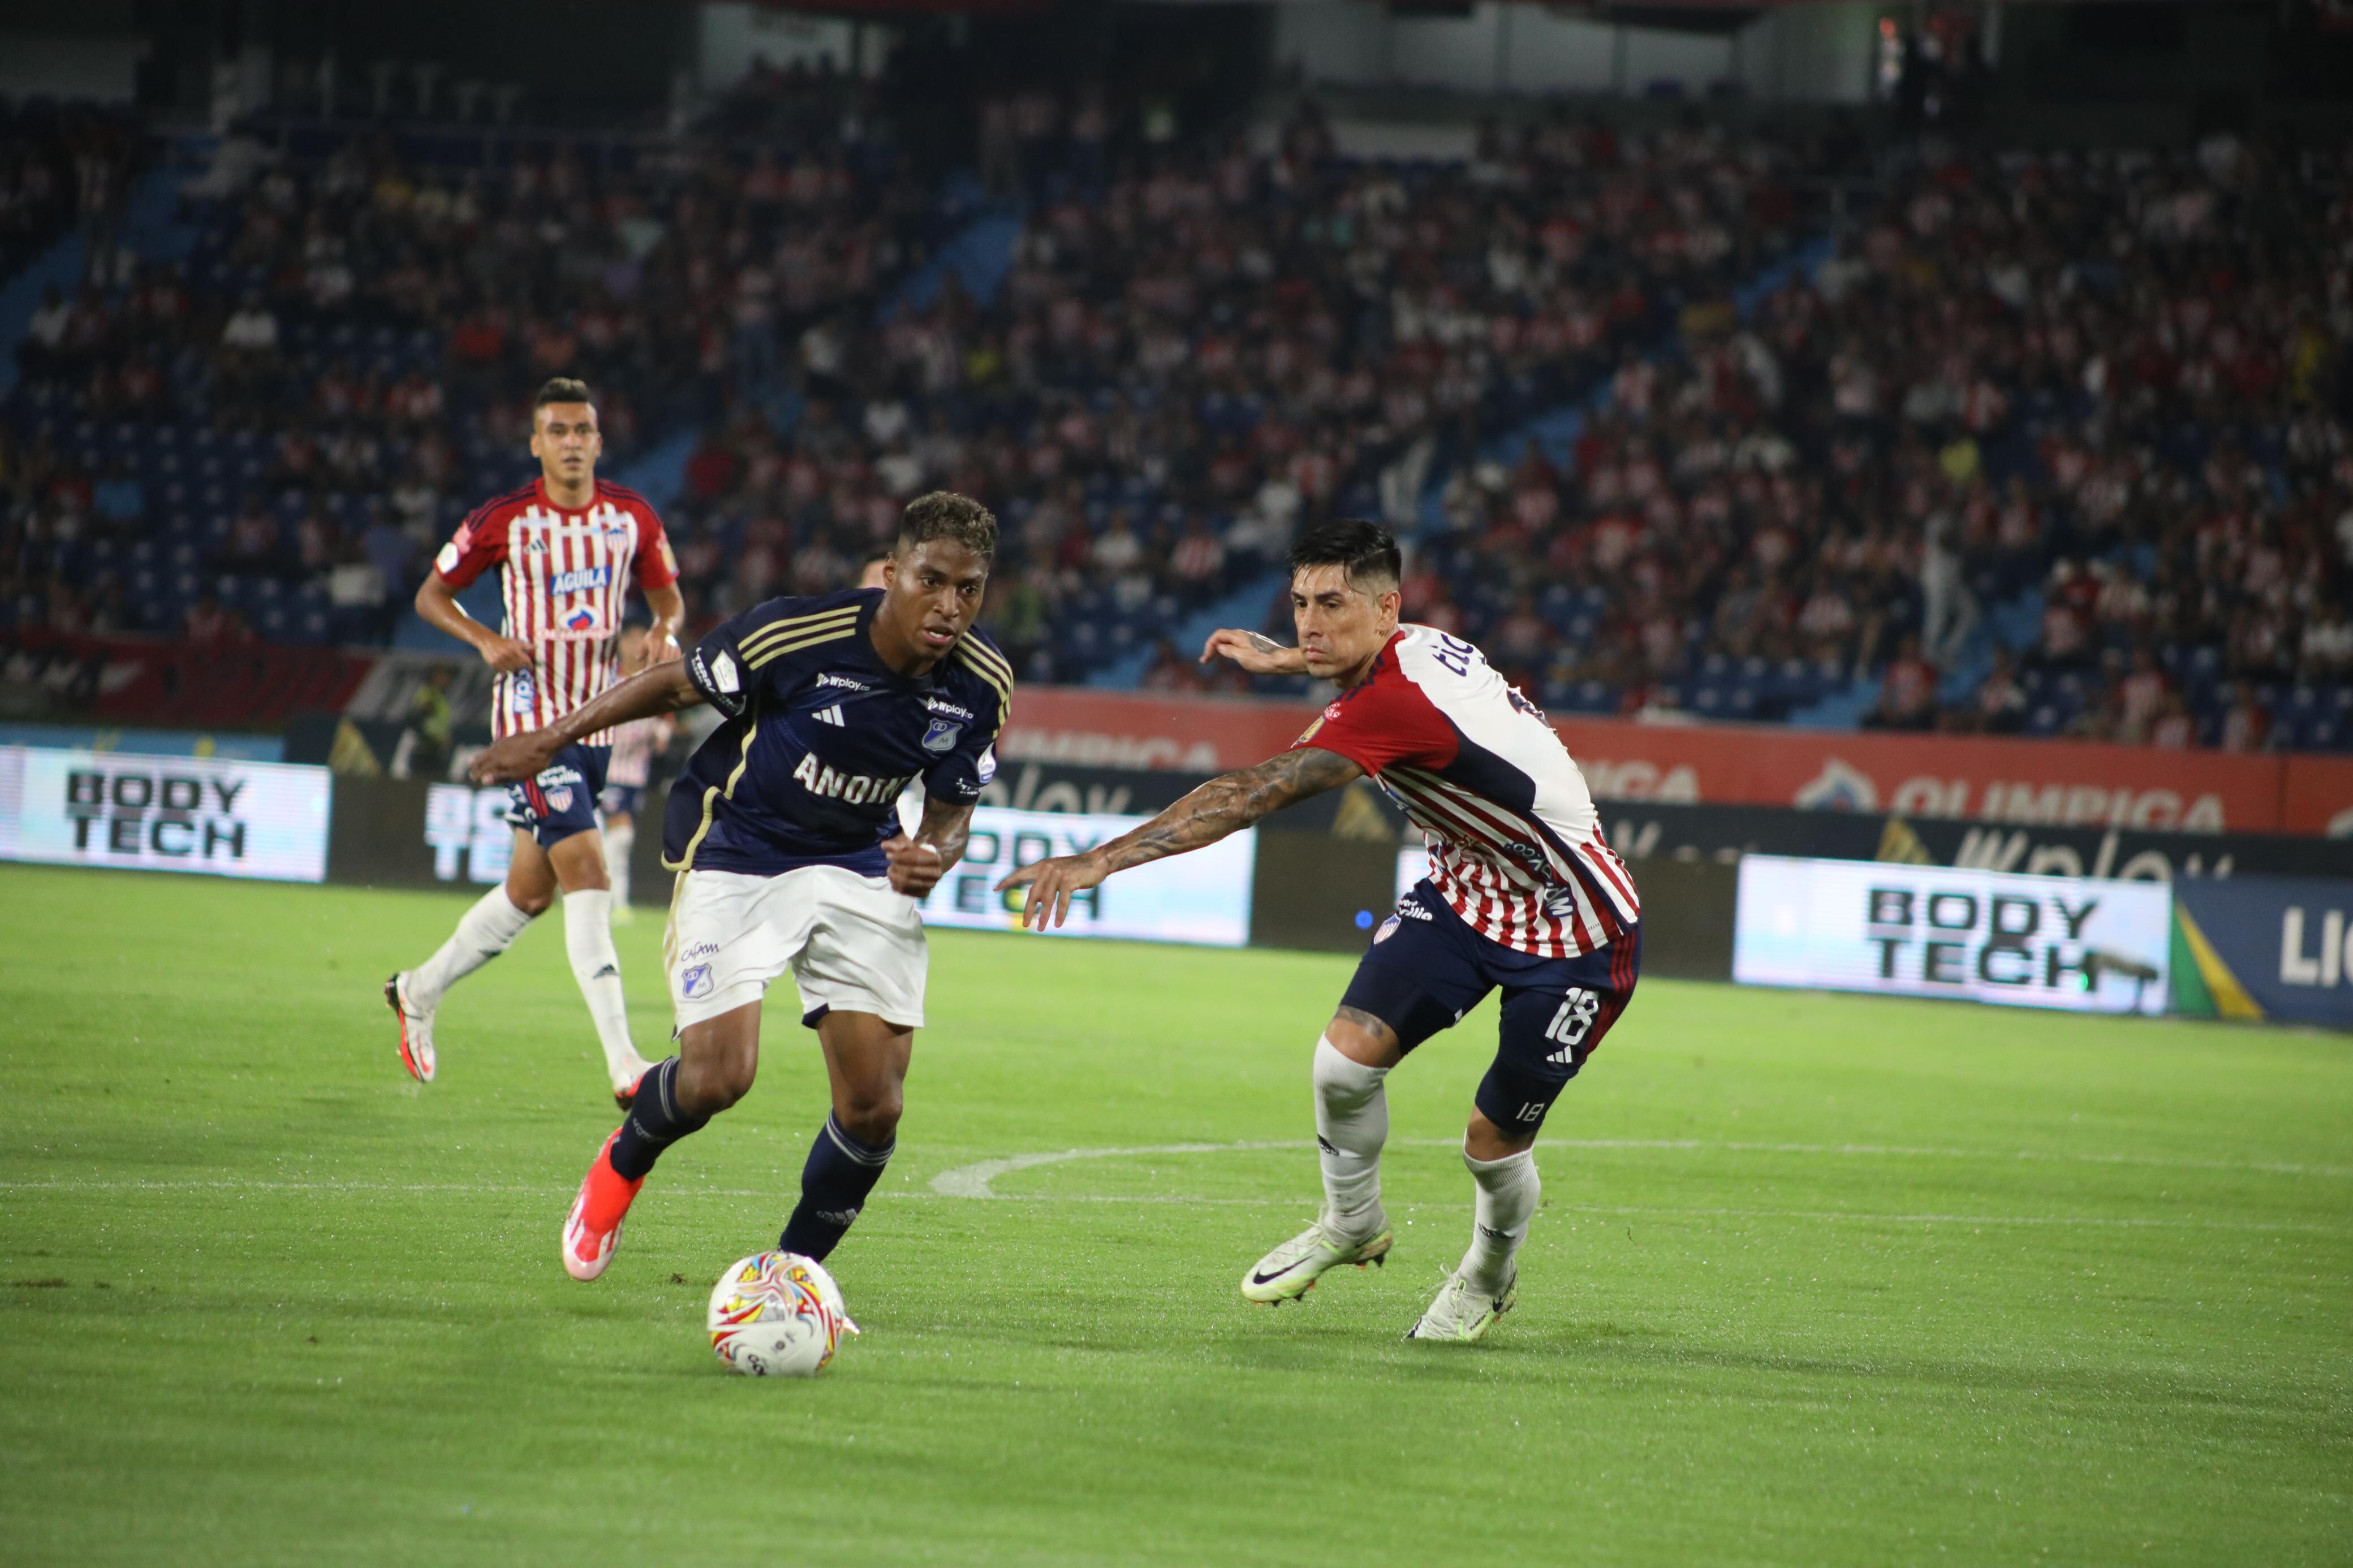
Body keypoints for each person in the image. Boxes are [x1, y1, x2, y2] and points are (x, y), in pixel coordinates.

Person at [999, 520, 1640, 1342]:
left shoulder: (1396, 705)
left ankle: (1487, 1275)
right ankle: (1351, 1223)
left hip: (1575, 933)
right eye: (1300, 602)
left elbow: (1252, 792)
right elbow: (1346, 652)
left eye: (1330, 604)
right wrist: (1282, 660)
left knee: (1491, 1142)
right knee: (1343, 1062)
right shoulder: (1414, 644)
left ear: (1385, 608)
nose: (1309, 622)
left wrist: (1101, 859)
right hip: (1465, 897)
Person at [468, 492, 1010, 1284]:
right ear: (892, 572)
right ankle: (622, 1162)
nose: (950, 607)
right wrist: (551, 739)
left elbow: (953, 813)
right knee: (717, 1078)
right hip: (743, 848)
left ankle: (789, 1279)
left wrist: (933, 851)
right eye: (931, 581)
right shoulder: (800, 633)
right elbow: (672, 686)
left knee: (875, 1108)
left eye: (969, 589)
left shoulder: (982, 682)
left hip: (862, 861)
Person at [385, 377, 685, 1105]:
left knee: (528, 892)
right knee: (588, 869)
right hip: (528, 720)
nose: (571, 443)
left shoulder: (631, 517)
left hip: (597, 719)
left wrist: (664, 630)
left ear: (599, 442)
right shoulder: (505, 519)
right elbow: (431, 595)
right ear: (536, 443)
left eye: (582, 431)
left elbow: (668, 597)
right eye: (558, 431)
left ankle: (418, 989)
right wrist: (483, 639)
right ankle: (624, 1062)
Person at [597, 626, 677, 925]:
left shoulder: (654, 682)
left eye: (640, 640)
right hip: (607, 769)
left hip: (636, 774)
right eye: (630, 640)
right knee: (620, 837)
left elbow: (667, 718)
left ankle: (609, 898)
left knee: (620, 840)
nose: (635, 646)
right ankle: (611, 900)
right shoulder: (606, 680)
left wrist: (663, 733)